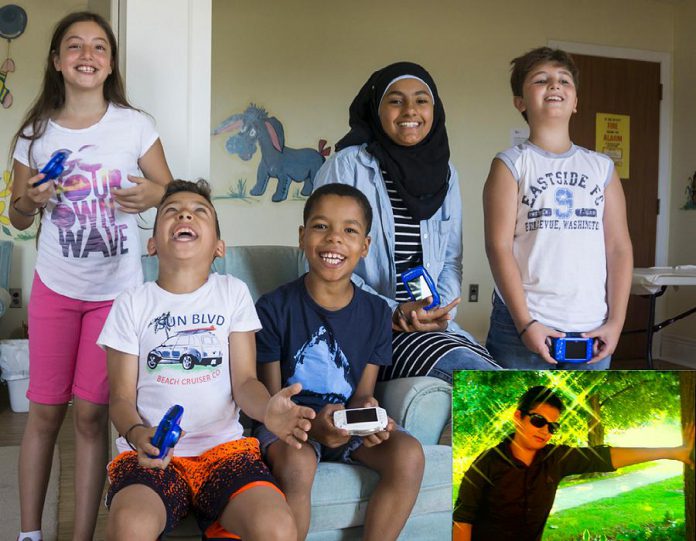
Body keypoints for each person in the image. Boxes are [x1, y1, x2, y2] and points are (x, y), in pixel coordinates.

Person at [8, 12, 172, 541]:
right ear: (56, 61)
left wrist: (154, 194)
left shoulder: (135, 124)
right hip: (54, 290)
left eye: (99, 47)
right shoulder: (33, 133)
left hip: (116, 298)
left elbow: (173, 193)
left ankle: (80, 536)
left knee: (90, 418)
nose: (87, 54)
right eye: (74, 46)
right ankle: (31, 533)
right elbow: (16, 215)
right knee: (45, 415)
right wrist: (29, 200)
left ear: (109, 64)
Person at [97, 179, 314, 540]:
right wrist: (138, 435)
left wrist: (267, 410)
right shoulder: (132, 302)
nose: (185, 214)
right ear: (152, 244)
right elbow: (120, 398)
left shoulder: (232, 293)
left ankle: (219, 522)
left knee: (276, 527)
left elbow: (244, 382)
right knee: (129, 527)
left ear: (218, 246)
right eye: (172, 211)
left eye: (200, 212)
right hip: (155, 457)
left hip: (224, 453)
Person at [254, 184, 426, 540]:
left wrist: (369, 415)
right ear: (302, 237)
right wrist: (312, 425)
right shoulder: (273, 308)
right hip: (291, 425)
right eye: (321, 227)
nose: (334, 239)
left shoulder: (378, 313)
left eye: (349, 230)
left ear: (364, 246)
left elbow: (363, 394)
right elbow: (274, 401)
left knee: (408, 454)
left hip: (346, 425)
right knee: (299, 465)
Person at [313, 61, 499, 383]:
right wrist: (394, 312)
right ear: (377, 109)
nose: (410, 110)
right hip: (367, 324)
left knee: (498, 375)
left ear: (434, 109)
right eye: (396, 100)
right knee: (479, 379)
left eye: (421, 100)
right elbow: (325, 262)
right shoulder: (348, 166)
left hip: (425, 325)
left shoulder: (447, 174)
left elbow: (451, 260)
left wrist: (440, 312)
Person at [483, 47, 633, 369]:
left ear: (575, 101)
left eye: (564, 81)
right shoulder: (510, 164)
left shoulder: (602, 168)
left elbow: (619, 248)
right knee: (510, 416)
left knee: (584, 418)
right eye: (541, 80)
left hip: (593, 328)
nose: (555, 85)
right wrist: (525, 324)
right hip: (522, 327)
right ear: (520, 102)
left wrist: (616, 322)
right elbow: (498, 247)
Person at [452, 386, 695, 541]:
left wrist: (673, 453)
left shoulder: (555, 458)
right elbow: (462, 520)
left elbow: (607, 457)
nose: (545, 430)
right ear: (518, 417)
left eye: (552, 426)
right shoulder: (486, 464)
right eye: (538, 421)